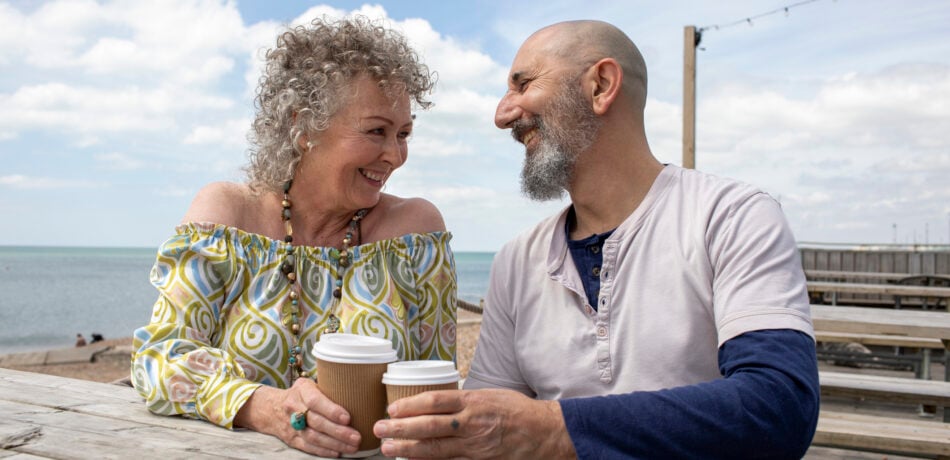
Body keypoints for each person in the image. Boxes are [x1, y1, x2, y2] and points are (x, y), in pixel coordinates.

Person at [373, 20, 819, 459]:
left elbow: (778, 408)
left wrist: (552, 429)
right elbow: (487, 434)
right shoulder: (517, 260)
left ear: (601, 86)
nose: (502, 114)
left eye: (523, 84)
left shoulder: (731, 217)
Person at [131, 16, 457, 458]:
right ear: (303, 127)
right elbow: (157, 358)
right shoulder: (228, 218)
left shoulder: (415, 232)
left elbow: (436, 381)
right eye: (376, 131)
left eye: (403, 134)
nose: (395, 155)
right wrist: (262, 406)